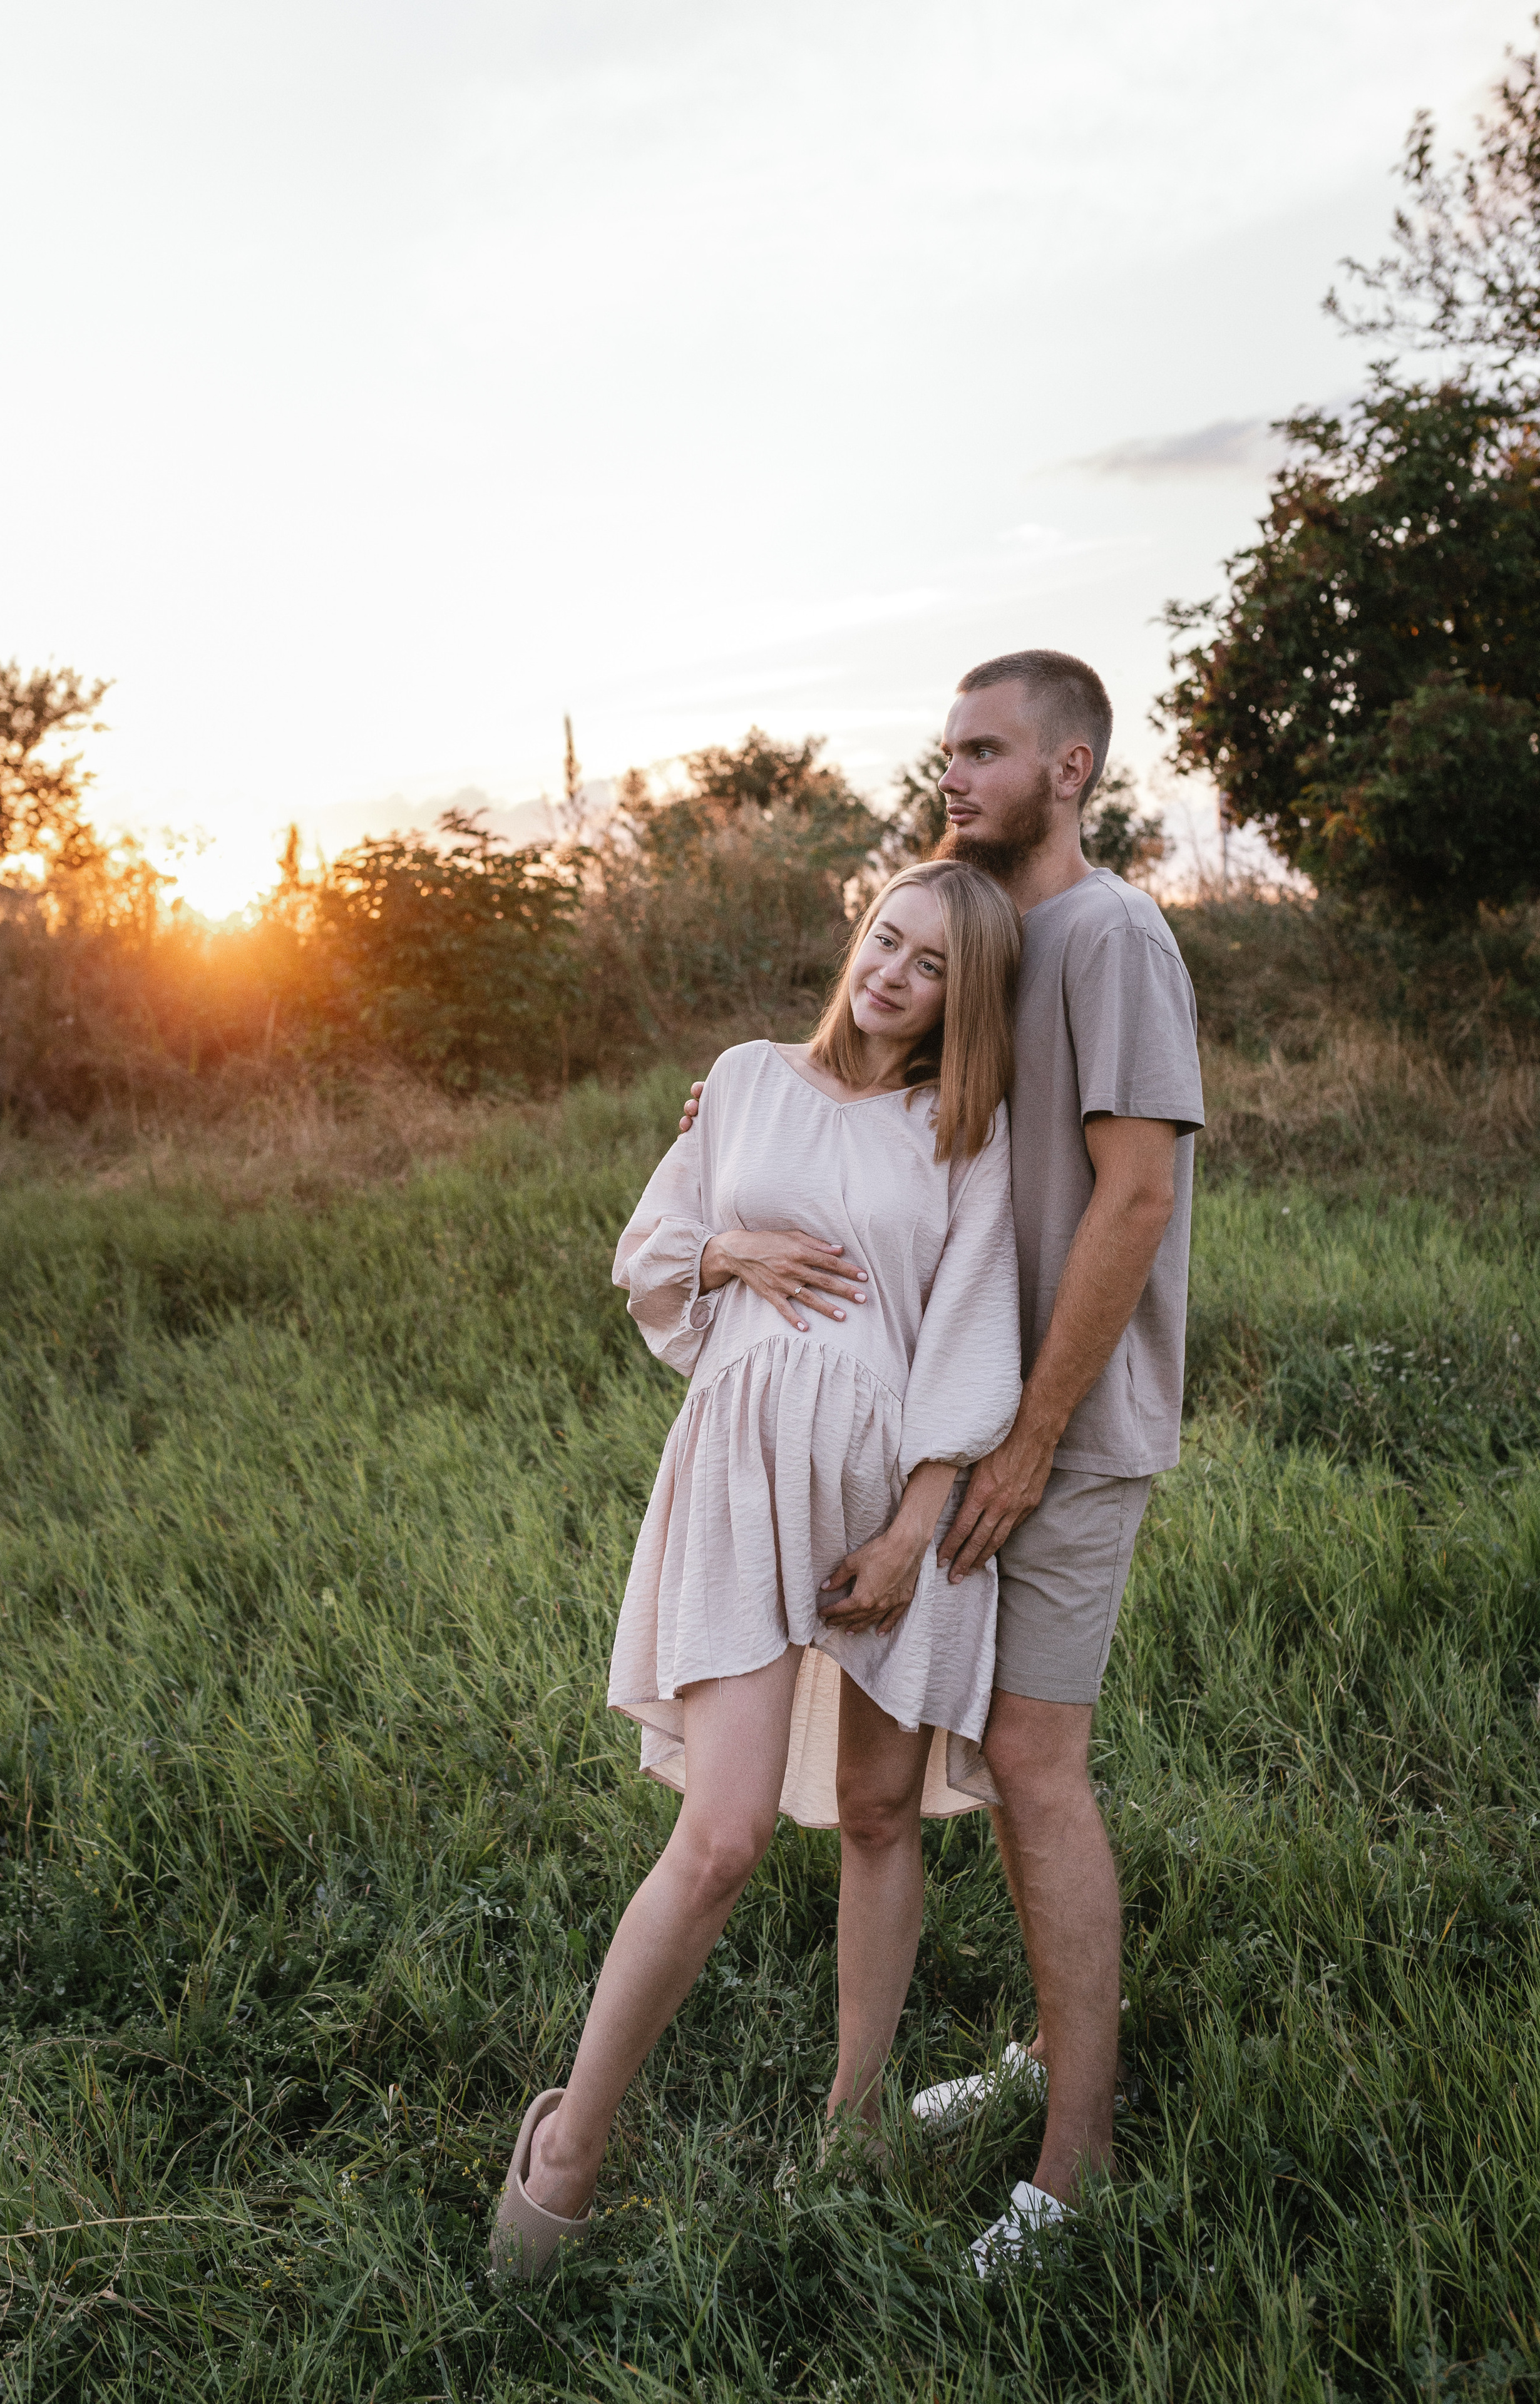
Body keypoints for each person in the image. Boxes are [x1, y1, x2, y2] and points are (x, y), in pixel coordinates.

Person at [677, 650, 1204, 2271]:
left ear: (1071, 770)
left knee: (1038, 1768)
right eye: (948, 748)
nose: (953, 774)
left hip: (1052, 1437)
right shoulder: (997, 938)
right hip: (960, 1434)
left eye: (985, 751)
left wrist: (1030, 1442)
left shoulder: (1107, 937)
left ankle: (1076, 2165)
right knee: (914, 1778)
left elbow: (1133, 1199)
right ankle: (1052, 2058)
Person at [491, 859, 1024, 2283]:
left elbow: (972, 1331)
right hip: (737, 1480)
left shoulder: (964, 1136)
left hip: (887, 1505)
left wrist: (918, 1528)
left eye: (931, 971)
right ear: (861, 939)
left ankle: (851, 2120)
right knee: (718, 1837)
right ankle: (569, 2145)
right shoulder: (741, 1080)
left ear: (960, 1007)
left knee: (872, 1809)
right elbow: (653, 1249)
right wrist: (733, 1248)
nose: (894, 975)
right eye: (886, 942)